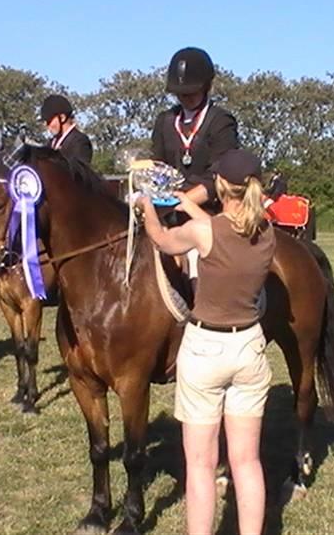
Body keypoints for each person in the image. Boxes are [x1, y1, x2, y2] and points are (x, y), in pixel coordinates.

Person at [137, 149, 275, 535]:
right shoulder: (266, 232)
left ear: (219, 186)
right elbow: (225, 227)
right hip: (250, 346)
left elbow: (162, 239)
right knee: (247, 462)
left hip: (205, 351)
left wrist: (146, 205)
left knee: (200, 465)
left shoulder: (205, 232)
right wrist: (187, 204)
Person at [151, 47, 240, 208]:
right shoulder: (164, 121)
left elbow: (219, 174)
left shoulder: (221, 121)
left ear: (206, 87)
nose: (185, 98)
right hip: (167, 209)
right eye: (180, 93)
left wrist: (182, 203)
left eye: (191, 93)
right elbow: (157, 166)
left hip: (208, 210)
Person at [40, 95, 93, 167]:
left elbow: (79, 173)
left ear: (62, 118)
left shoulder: (80, 142)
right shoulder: (51, 143)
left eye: (49, 121)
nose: (47, 126)